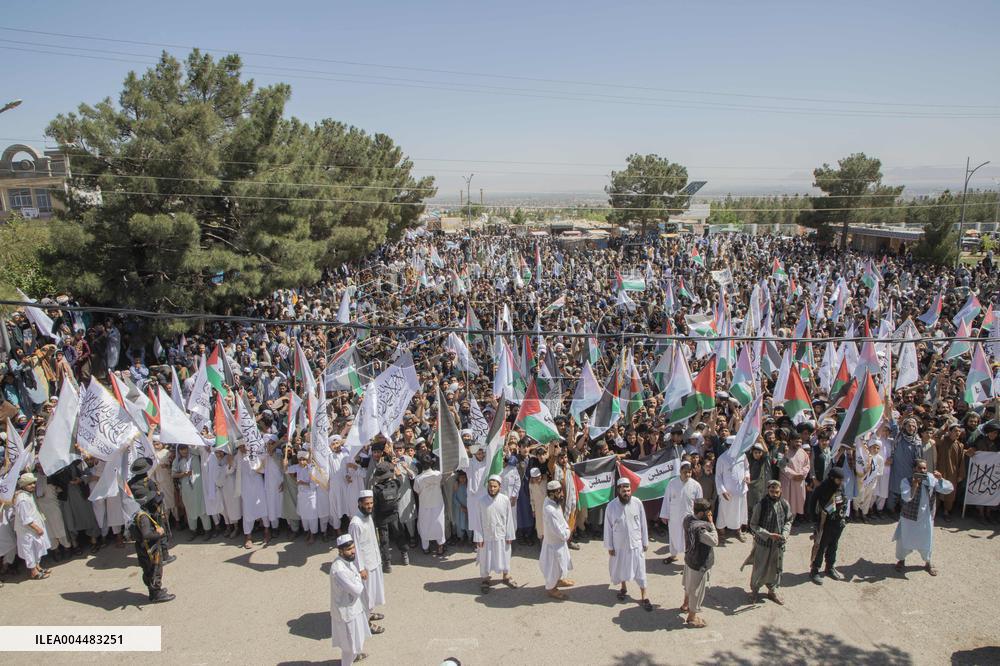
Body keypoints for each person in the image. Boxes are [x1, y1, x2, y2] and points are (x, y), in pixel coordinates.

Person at [893, 459, 953, 576]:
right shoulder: (906, 481)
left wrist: (940, 479)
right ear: (914, 469)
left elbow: (948, 489)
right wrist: (914, 485)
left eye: (924, 468)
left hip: (926, 517)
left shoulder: (931, 479)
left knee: (927, 540)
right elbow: (906, 497)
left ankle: (927, 562)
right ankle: (901, 560)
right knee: (904, 539)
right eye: (920, 468)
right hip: (909, 517)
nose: (922, 470)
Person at [604, 477, 651, 610]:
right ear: (618, 491)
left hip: (636, 544)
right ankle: (623, 587)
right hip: (619, 545)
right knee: (621, 567)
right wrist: (610, 546)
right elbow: (607, 528)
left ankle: (644, 595)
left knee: (640, 570)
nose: (627, 493)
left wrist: (645, 541)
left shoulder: (637, 503)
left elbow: (643, 524)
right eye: (624, 491)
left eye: (629, 490)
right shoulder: (611, 506)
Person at [127, 478, 175, 603]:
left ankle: (156, 589)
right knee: (154, 570)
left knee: (152, 569)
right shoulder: (143, 517)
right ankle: (155, 593)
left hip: (145, 548)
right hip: (149, 549)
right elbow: (147, 534)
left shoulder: (140, 513)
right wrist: (159, 534)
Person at [745, 480, 792, 605]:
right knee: (759, 568)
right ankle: (754, 591)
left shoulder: (784, 504)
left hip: (778, 544)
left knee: (776, 568)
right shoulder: (761, 505)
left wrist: (785, 534)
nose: (774, 494)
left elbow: (788, 521)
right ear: (768, 490)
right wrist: (769, 535)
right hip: (763, 543)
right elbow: (753, 525)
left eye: (777, 492)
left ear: (780, 490)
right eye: (772, 491)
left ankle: (772, 591)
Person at [330, 534, 371, 664]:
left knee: (355, 641)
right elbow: (357, 589)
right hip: (346, 614)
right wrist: (359, 577)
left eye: (353, 548)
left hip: (354, 609)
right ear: (340, 551)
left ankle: (354, 656)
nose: (353, 551)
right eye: (348, 549)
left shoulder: (348, 562)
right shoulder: (339, 570)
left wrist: (357, 577)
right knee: (349, 647)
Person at [348, 490, 385, 635]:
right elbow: (355, 547)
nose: (369, 506)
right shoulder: (355, 523)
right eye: (366, 504)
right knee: (365, 596)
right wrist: (360, 568)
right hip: (365, 566)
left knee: (372, 593)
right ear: (359, 504)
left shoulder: (368, 517)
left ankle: (369, 613)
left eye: (371, 503)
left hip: (374, 560)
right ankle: (366, 623)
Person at [474, 475, 517, 593]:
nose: (492, 489)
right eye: (490, 486)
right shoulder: (481, 501)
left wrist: (510, 535)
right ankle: (485, 579)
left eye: (494, 486)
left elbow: (509, 519)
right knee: (485, 558)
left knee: (504, 556)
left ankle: (506, 576)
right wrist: (478, 537)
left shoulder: (505, 499)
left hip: (502, 535)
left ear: (499, 487)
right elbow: (477, 520)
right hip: (486, 536)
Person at [681, 498, 718, 628]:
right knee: (696, 590)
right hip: (699, 563)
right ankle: (692, 617)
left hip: (689, 558)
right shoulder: (702, 529)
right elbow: (714, 541)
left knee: (688, 584)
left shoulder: (687, 519)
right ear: (702, 514)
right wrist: (712, 524)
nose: (710, 515)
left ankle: (685, 604)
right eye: (708, 513)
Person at [809, 466, 847, 585]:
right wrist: (815, 521)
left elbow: (844, 501)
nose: (840, 482)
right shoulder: (822, 488)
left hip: (838, 521)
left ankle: (829, 567)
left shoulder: (841, 487)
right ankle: (814, 570)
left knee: (833, 545)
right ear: (831, 478)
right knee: (821, 546)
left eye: (841, 480)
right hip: (825, 522)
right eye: (838, 480)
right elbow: (812, 503)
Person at [659, 460, 703, 564]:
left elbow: (700, 504)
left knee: (688, 539)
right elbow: (666, 499)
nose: (687, 474)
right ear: (680, 471)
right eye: (685, 472)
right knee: (673, 536)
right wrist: (664, 515)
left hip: (689, 518)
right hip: (674, 517)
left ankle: (689, 562)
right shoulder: (672, 483)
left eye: (689, 472)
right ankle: (673, 555)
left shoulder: (696, 486)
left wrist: (698, 518)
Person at [539, 479, 574, 599]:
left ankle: (558, 581)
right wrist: (568, 531)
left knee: (561, 565)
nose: (562, 494)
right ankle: (552, 589)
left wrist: (566, 528)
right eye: (559, 492)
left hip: (559, 543)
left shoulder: (554, 502)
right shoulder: (550, 510)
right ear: (551, 493)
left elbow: (562, 520)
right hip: (554, 545)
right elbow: (561, 533)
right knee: (554, 568)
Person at [13, 473, 51, 580]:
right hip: (27, 531)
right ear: (24, 485)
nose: (33, 485)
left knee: (36, 548)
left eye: (34, 483)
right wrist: (37, 528)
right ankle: (33, 572)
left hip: (33, 528)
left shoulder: (28, 495)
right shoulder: (22, 499)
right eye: (29, 484)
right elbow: (25, 518)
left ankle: (38, 567)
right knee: (29, 549)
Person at [412, 454, 446, 555]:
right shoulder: (438, 474)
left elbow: (417, 491)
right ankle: (440, 547)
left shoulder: (418, 478)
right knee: (439, 524)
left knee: (424, 525)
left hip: (425, 505)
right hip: (437, 504)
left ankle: (425, 547)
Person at [715, 451, 749, 541]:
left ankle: (738, 531)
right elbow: (718, 476)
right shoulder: (722, 458)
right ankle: (721, 533)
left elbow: (746, 468)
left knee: (740, 512)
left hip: (741, 491)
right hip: (727, 493)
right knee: (723, 513)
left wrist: (747, 475)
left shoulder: (743, 455)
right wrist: (723, 491)